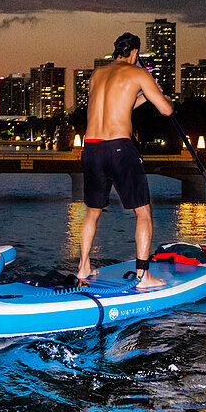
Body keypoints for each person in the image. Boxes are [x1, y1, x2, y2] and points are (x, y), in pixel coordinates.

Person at [76, 32, 173, 290]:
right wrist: (164, 98)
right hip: (119, 147)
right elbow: (165, 110)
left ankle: (83, 266)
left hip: (92, 147)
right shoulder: (139, 73)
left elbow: (120, 106)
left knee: (92, 212)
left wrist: (142, 97)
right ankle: (143, 277)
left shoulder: (97, 74)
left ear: (116, 51)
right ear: (135, 53)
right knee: (143, 212)